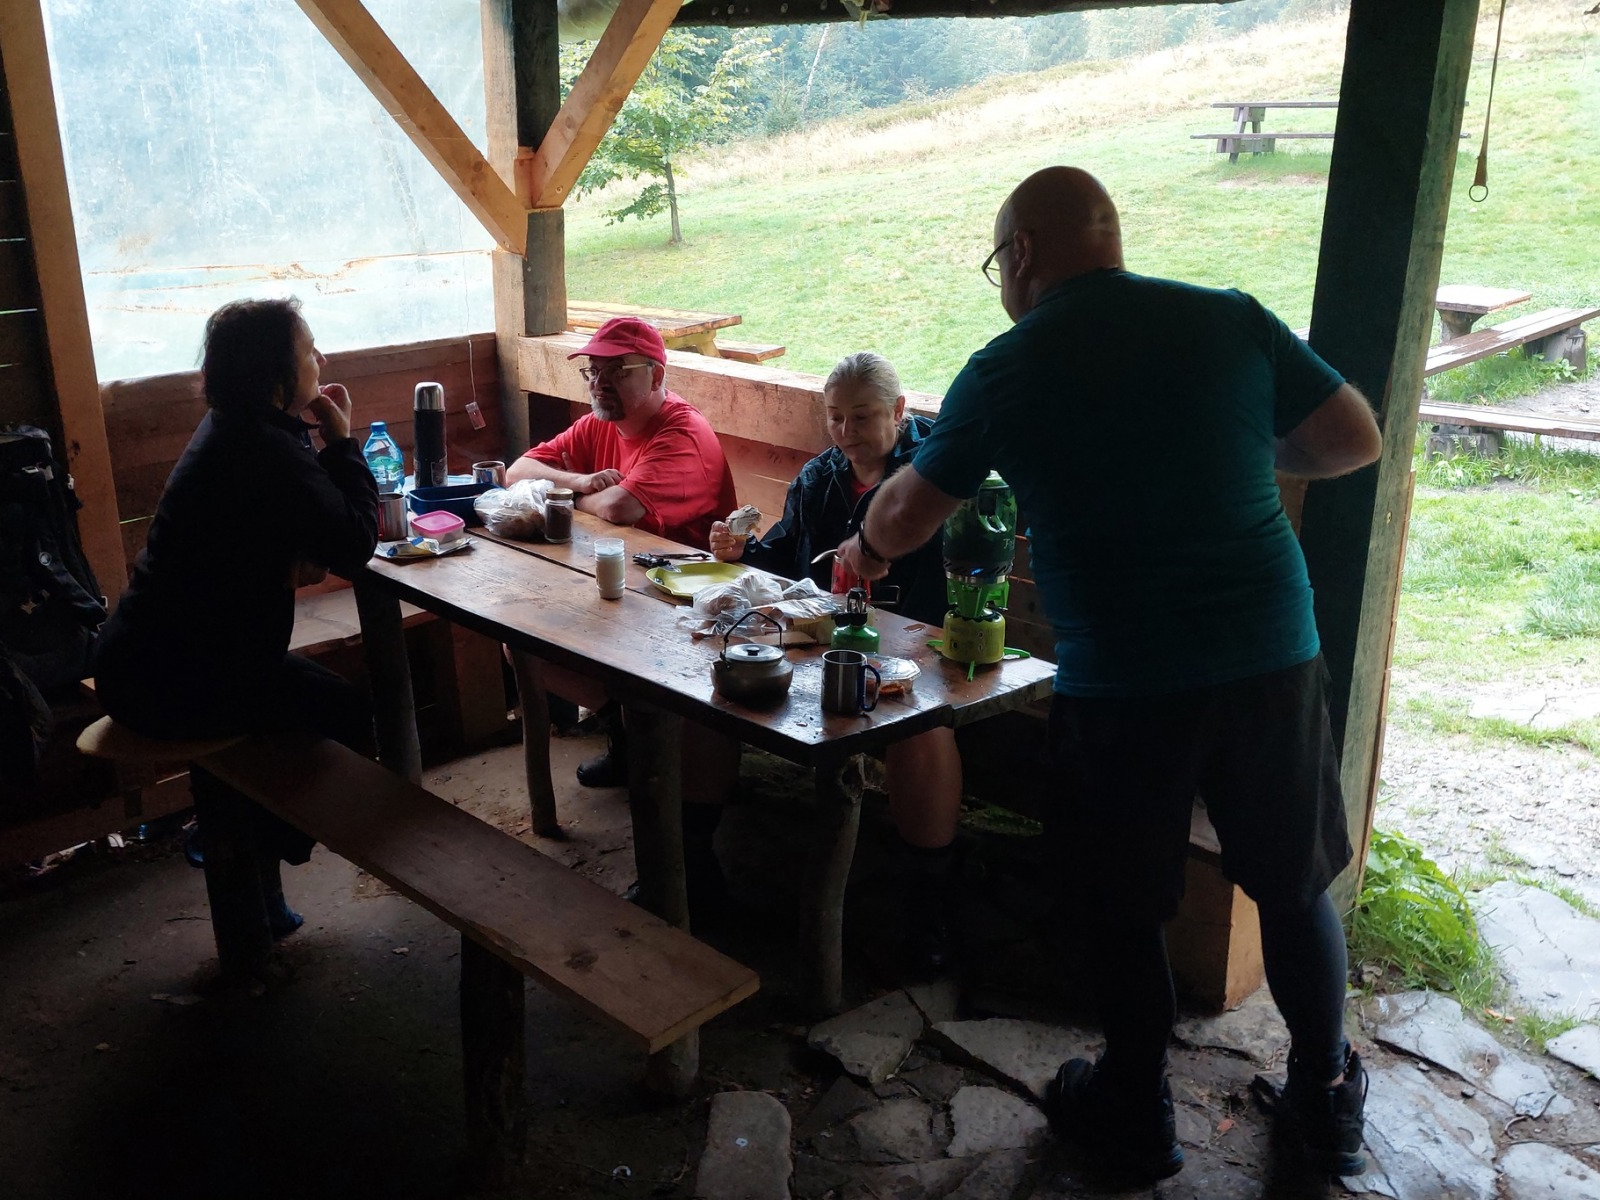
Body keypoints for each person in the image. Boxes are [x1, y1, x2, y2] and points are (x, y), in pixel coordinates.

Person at [837, 167, 1382, 1183]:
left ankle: (1136, 1109)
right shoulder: (1229, 318)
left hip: (1125, 678)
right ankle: (1325, 1097)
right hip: (1270, 653)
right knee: (1291, 879)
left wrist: (864, 548)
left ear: (1023, 254)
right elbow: (1354, 438)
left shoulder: (1009, 364)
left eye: (998, 262)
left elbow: (907, 511)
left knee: (1123, 901)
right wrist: (1224, 459)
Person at [95, 297, 379, 942]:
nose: (321, 359)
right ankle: (256, 845)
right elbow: (354, 541)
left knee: (310, 708)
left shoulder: (235, 427)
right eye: (309, 350)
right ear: (276, 373)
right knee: (344, 715)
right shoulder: (262, 446)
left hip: (144, 661)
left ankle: (254, 863)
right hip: (182, 682)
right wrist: (343, 441)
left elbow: (288, 522)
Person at [709, 350, 962, 973]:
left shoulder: (934, 478)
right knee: (709, 690)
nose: (846, 432)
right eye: (835, 417)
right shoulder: (819, 478)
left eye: (862, 416)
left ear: (899, 411)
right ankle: (696, 875)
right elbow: (784, 560)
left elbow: (946, 599)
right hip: (822, 645)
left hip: (918, 654)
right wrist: (741, 552)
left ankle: (928, 911)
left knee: (921, 729)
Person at [507, 316, 737, 788]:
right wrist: (579, 481)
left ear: (656, 376)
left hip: (688, 609)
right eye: (593, 371)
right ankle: (627, 731)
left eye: (617, 371)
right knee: (521, 643)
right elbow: (517, 472)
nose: (599, 383)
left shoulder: (682, 432)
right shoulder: (598, 423)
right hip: (621, 591)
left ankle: (651, 743)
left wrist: (568, 497)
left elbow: (619, 507)